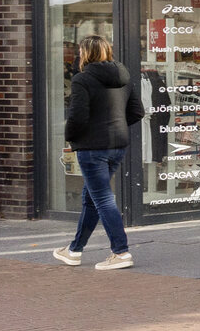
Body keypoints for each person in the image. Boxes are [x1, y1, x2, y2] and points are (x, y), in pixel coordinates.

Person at [54, 35, 144, 270]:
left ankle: (121, 252)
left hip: (92, 149)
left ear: (85, 54)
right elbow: (137, 111)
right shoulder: (124, 75)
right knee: (91, 198)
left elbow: (77, 117)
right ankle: (74, 250)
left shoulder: (82, 79)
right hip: (117, 146)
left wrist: (71, 137)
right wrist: (115, 127)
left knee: (102, 199)